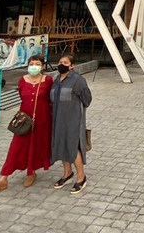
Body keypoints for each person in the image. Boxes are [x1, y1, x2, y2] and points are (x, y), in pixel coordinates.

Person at [0, 55, 53, 195]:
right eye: (32, 63)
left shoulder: (48, 80)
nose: (34, 66)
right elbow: (22, 96)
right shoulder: (22, 80)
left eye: (37, 63)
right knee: (17, 146)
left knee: (36, 144)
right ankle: (3, 179)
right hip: (24, 119)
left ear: (42, 66)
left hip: (43, 118)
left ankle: (31, 172)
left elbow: (50, 98)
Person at [50, 54, 92, 194]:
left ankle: (81, 177)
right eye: (60, 61)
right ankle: (67, 173)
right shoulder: (56, 80)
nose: (62, 64)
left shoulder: (78, 80)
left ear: (72, 66)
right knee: (61, 144)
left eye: (65, 62)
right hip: (57, 119)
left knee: (73, 147)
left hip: (73, 119)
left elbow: (87, 98)